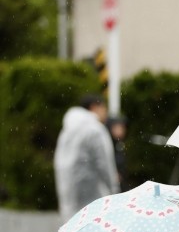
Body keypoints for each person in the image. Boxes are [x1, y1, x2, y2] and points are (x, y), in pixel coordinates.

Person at [53, 94, 119, 222]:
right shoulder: (95, 130)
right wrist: (114, 191)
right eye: (104, 107)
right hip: (93, 197)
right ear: (94, 107)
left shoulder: (67, 130)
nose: (105, 112)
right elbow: (104, 163)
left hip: (69, 198)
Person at [107, 115, 129, 191]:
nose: (121, 130)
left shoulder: (120, 144)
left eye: (122, 128)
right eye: (117, 128)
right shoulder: (107, 144)